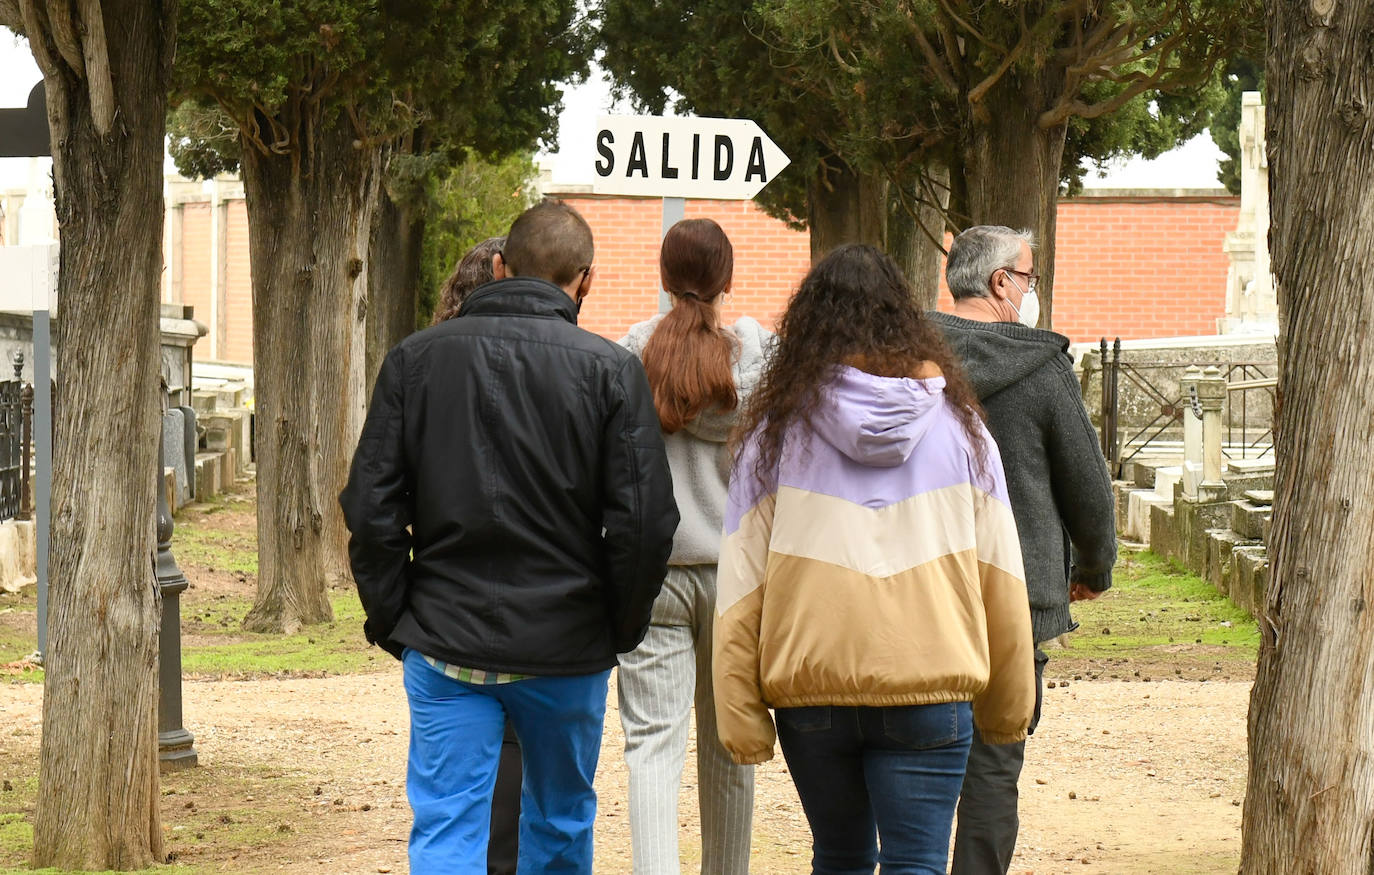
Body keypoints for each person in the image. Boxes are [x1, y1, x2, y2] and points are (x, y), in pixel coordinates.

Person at [340, 199, 679, 874]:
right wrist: (616, 624)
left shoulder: (415, 359)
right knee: (558, 824)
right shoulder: (611, 371)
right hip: (564, 643)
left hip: (446, 640)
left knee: (447, 828)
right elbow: (644, 523)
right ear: (586, 280)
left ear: (499, 267)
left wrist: (394, 616)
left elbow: (371, 504)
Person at [712, 244, 1036, 874]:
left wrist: (741, 714)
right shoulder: (962, 429)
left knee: (838, 860)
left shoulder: (774, 436)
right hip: (930, 686)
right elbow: (1001, 577)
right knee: (917, 864)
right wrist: (1008, 706)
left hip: (813, 694)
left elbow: (741, 587)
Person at [931, 225, 1118, 875]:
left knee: (921, 760)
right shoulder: (1042, 368)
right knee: (993, 764)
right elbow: (1086, 482)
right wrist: (1094, 568)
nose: (1034, 290)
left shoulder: (912, 357)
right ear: (1000, 282)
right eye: (1030, 277)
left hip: (927, 585)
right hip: (1018, 592)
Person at [616, 219, 766, 875]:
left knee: (652, 744)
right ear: (727, 279)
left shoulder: (631, 354)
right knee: (730, 745)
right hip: (736, 578)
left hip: (656, 574)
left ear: (663, 274)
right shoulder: (756, 359)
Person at [428, 234, 520, 875]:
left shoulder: (422, 367)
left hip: (445, 616)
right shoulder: (565, 366)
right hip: (543, 614)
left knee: (450, 805)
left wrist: (395, 612)